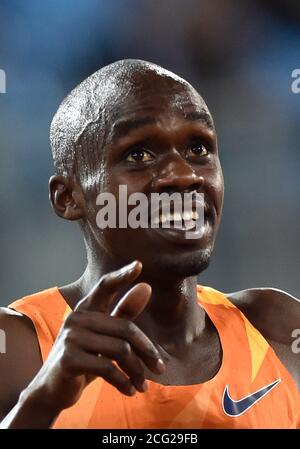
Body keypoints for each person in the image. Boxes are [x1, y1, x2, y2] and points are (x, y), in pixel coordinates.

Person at [0, 59, 299, 429]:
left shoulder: (278, 332)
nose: (183, 174)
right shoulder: (16, 348)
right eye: (139, 154)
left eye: (198, 149)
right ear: (68, 197)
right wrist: (42, 402)